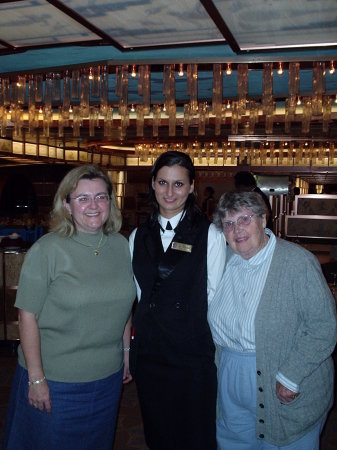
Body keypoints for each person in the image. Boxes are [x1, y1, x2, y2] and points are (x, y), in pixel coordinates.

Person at [2, 165, 136, 450]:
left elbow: (125, 306)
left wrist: (126, 353)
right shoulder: (48, 249)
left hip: (106, 379)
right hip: (55, 380)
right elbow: (26, 316)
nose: (93, 205)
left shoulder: (121, 245)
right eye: (82, 198)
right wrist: (36, 378)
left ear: (110, 202)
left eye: (101, 197)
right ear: (66, 203)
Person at [208, 191, 337, 450]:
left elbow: (324, 328)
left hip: (285, 379)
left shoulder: (297, 262)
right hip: (231, 380)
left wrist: (291, 376)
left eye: (244, 219)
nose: (237, 230)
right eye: (229, 224)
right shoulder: (224, 262)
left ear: (263, 219)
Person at [129, 151, 226, 450]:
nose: (169, 192)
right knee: (158, 433)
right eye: (163, 182)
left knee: (195, 435)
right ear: (153, 185)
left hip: (191, 355)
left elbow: (214, 296)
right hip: (150, 355)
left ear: (192, 187)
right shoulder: (136, 236)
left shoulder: (210, 234)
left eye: (179, 184)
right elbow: (141, 296)